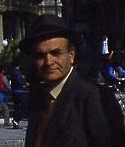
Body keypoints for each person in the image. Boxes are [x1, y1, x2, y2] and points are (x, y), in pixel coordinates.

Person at [19, 14, 125, 147]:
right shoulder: (39, 97)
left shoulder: (95, 97)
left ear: (72, 55)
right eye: (40, 56)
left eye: (56, 53)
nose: (48, 62)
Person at [9, 58, 29, 129]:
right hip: (19, 91)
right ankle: (17, 119)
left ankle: (15, 121)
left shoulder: (12, 71)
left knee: (16, 107)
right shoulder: (17, 72)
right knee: (25, 106)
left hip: (14, 91)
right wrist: (24, 82)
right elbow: (18, 81)